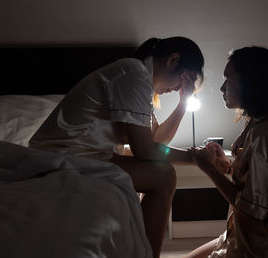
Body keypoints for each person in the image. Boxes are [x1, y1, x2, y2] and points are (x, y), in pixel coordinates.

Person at [29, 37, 205, 258]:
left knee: (161, 173)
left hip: (87, 155)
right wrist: (196, 159)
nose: (180, 87)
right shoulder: (134, 75)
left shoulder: (139, 79)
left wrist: (183, 103)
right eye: (183, 80)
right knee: (163, 176)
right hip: (62, 155)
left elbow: (157, 140)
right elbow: (144, 150)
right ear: (173, 60)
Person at [187, 46, 268, 257]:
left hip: (260, 247)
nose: (222, 88)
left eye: (229, 81)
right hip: (245, 235)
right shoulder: (260, 124)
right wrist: (228, 167)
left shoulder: (264, 136)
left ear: (251, 84)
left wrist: (210, 170)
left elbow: (253, 210)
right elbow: (258, 185)